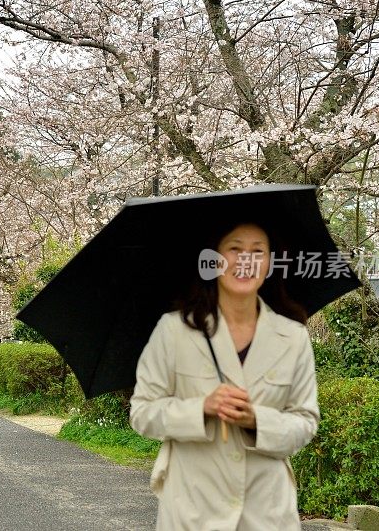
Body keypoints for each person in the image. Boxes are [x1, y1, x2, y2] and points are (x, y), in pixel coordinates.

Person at [129, 221, 320, 531]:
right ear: (213, 259)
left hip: (267, 513)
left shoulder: (293, 337)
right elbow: (142, 413)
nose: (246, 260)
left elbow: (305, 422)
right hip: (192, 510)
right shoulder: (174, 330)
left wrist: (257, 420)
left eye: (258, 251)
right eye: (235, 249)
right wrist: (201, 407)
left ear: (270, 262)